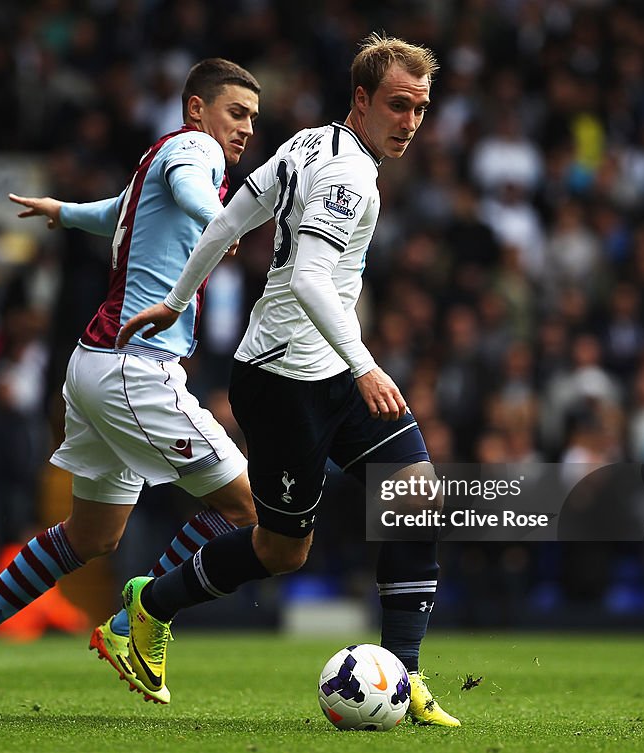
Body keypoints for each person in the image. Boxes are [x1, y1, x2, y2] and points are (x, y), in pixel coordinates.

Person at [116, 34, 460, 727]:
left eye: (419, 109)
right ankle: (151, 604)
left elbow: (231, 218)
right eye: (397, 106)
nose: (410, 122)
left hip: (327, 369)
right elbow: (304, 276)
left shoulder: (310, 145)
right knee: (282, 549)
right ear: (360, 100)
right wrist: (365, 365)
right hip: (282, 383)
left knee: (416, 497)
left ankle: (407, 675)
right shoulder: (346, 176)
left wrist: (177, 299)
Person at [0, 58, 261, 713]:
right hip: (137, 369)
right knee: (248, 507)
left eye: (252, 118)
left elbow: (120, 213)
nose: (245, 128)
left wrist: (64, 211)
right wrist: (223, 218)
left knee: (91, 536)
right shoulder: (196, 151)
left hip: (94, 365)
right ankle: (139, 616)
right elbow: (194, 194)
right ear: (197, 110)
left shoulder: (156, 156)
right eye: (236, 113)